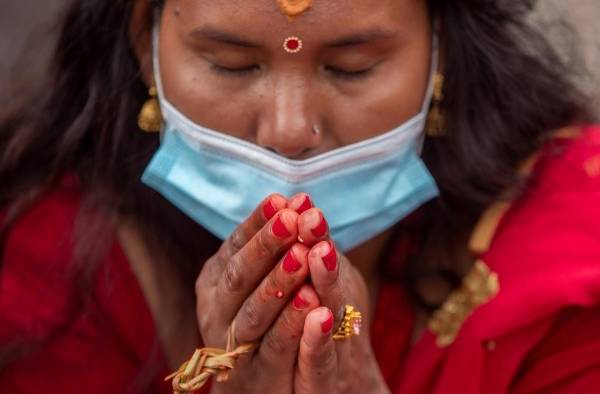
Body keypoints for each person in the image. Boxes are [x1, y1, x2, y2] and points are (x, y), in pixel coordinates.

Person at [1, 0, 599, 393]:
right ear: (147, 51)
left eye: (352, 67)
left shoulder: (572, 255)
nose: (289, 132)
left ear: (438, 52)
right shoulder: (46, 268)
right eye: (231, 65)